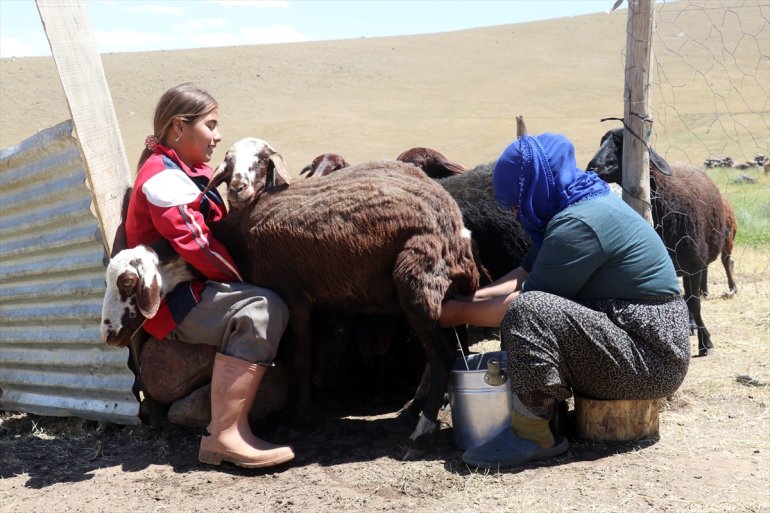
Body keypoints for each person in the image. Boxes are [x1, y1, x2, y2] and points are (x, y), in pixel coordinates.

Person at [440, 132, 690, 469]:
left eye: (516, 200)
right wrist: (467, 299)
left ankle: (531, 432)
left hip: (651, 357)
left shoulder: (580, 224)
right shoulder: (573, 204)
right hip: (630, 337)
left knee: (529, 311)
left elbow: (523, 302)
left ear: (537, 185)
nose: (514, 212)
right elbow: (524, 273)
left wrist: (454, 314)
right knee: (531, 307)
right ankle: (547, 413)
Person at [124, 83, 293, 469]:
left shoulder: (193, 170)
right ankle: (223, 435)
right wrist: (246, 280)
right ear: (179, 128)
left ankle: (238, 428)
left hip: (200, 286)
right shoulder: (161, 177)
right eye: (211, 125)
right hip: (175, 299)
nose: (218, 136)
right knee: (262, 308)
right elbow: (196, 244)